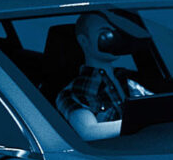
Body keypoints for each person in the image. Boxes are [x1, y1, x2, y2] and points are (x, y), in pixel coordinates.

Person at [56, 11, 151, 140]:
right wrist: (141, 121)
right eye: (105, 31)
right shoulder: (74, 92)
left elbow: (156, 106)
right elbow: (88, 132)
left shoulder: (127, 81)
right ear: (84, 41)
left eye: (115, 30)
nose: (114, 36)